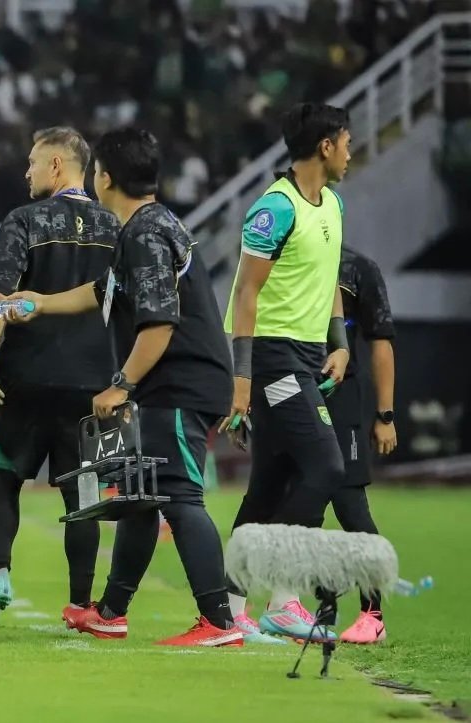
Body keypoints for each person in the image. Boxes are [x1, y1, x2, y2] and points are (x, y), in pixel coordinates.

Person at [2, 127, 242, 647]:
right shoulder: (145, 227)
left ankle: (219, 622)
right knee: (142, 497)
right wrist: (39, 302)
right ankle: (111, 611)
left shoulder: (145, 234)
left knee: (179, 498)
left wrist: (121, 383)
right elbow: (103, 290)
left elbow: (159, 321)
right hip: (171, 384)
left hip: (180, 384)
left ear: (103, 177)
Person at [0, 127, 119, 628]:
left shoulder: (26, 220)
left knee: (5, 480)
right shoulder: (117, 225)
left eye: (33, 162)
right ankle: (81, 603)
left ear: (57, 165)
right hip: (95, 383)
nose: (27, 171)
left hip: (27, 377)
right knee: (83, 492)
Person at [222, 103, 351, 643]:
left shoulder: (335, 204)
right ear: (325, 146)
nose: (351, 151)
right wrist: (243, 379)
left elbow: (331, 281)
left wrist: (340, 344)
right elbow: (247, 293)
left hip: (308, 356)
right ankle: (283, 596)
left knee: (270, 485)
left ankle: (226, 610)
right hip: (273, 357)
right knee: (325, 466)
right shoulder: (275, 209)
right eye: (346, 141)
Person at [330, 246, 397, 644]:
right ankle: (283, 607)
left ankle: (373, 614)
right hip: (291, 392)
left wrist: (385, 415)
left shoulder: (357, 267)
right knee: (287, 499)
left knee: (349, 503)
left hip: (341, 398)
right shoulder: (276, 256)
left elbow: (381, 340)